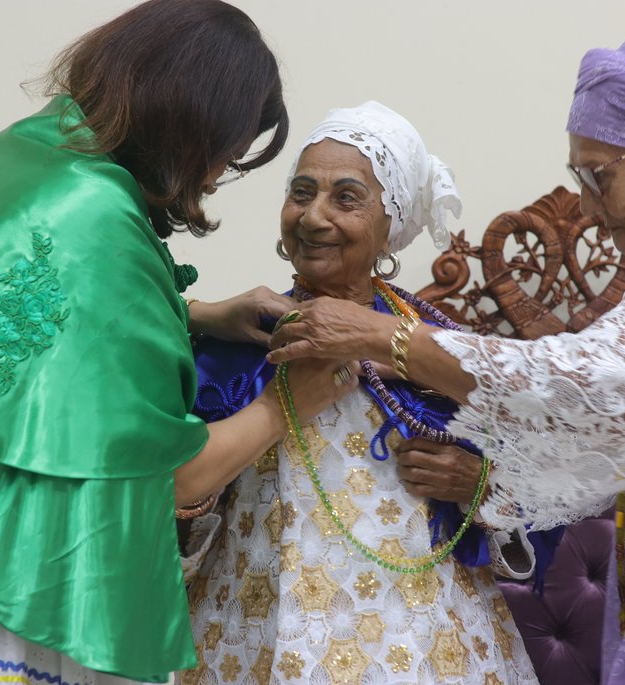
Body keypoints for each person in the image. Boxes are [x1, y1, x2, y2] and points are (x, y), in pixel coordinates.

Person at [267, 18, 625, 685]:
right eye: (579, 176)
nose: (590, 207)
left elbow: (589, 384)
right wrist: (489, 480)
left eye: (600, 176)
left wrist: (385, 339)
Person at [0, 2, 352, 684]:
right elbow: (170, 475)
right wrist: (286, 403)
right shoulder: (101, 221)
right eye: (229, 152)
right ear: (191, 125)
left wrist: (196, 315)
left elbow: (31, 325)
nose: (220, 175)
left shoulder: (22, 154)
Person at [180, 102, 540, 685]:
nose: (313, 217)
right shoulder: (236, 344)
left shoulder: (440, 350)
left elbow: (546, 487)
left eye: (345, 198)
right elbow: (165, 511)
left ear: (388, 226)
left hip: (424, 645)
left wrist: (478, 486)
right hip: (254, 638)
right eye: (301, 193)